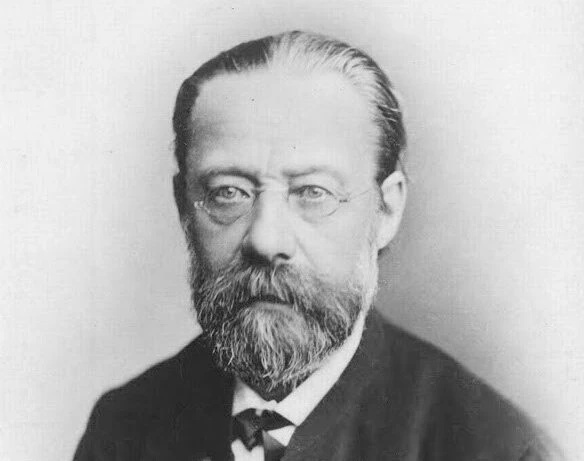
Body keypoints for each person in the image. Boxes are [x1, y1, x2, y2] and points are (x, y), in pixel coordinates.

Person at [74, 30, 558, 461]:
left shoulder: (494, 448)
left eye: (313, 192)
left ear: (386, 211)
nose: (266, 240)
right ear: (184, 206)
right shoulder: (124, 430)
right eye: (228, 192)